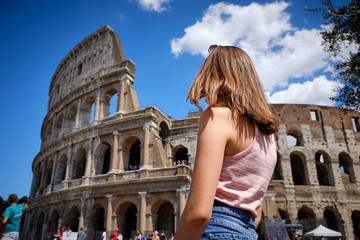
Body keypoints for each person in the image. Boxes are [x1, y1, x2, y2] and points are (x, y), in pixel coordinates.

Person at [174, 45, 279, 240]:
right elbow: (256, 214)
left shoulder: (217, 116)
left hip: (215, 228)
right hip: (247, 231)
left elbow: (199, 212)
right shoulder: (268, 136)